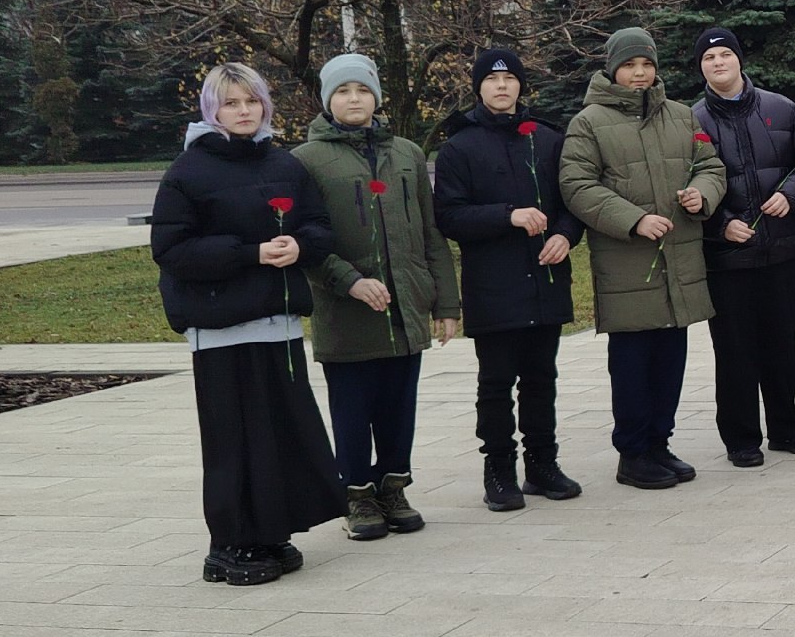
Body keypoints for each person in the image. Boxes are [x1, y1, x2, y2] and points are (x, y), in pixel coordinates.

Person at [151, 63, 344, 586]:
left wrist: (300, 246)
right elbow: (171, 249)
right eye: (231, 103)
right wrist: (249, 254)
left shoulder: (284, 163)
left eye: (251, 101)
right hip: (220, 328)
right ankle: (228, 544)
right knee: (232, 440)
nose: (243, 111)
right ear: (212, 110)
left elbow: (319, 226)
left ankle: (272, 531)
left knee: (279, 432)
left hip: (277, 324)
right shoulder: (187, 172)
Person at [294, 52, 461, 540]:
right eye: (343, 91)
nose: (354, 99)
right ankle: (357, 496)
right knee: (352, 411)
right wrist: (349, 281)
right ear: (328, 99)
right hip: (346, 313)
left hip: (405, 307)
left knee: (398, 408)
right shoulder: (305, 161)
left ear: (377, 98)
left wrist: (445, 303)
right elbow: (306, 242)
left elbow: (430, 233)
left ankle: (393, 487)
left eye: (363, 90)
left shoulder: (406, 154)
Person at [560, 27, 729, 489]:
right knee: (633, 365)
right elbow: (577, 185)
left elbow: (710, 166)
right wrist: (633, 220)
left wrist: (701, 194)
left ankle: (659, 443)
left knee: (670, 361)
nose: (639, 73)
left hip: (679, 263)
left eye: (647, 64)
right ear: (613, 68)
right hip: (627, 266)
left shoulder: (680, 116)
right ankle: (632, 453)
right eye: (630, 65)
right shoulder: (588, 122)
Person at [434, 46, 584, 512]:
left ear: (521, 85)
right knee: (496, 383)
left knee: (541, 378)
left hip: (545, 279)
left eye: (510, 79)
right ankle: (499, 469)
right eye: (492, 80)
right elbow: (450, 216)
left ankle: (542, 464)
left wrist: (565, 236)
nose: (502, 87)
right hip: (493, 285)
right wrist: (508, 216)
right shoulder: (459, 146)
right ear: (478, 87)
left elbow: (573, 202)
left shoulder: (548, 138)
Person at [691, 26, 795, 467]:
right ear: (701, 68)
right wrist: (721, 224)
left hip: (780, 252)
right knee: (734, 353)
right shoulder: (690, 122)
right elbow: (683, 186)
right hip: (727, 260)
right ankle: (741, 439)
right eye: (709, 58)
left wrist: (790, 193)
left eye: (725, 55)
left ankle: (787, 428)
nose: (718, 63)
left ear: (739, 59)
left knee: (781, 347)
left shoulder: (780, 108)